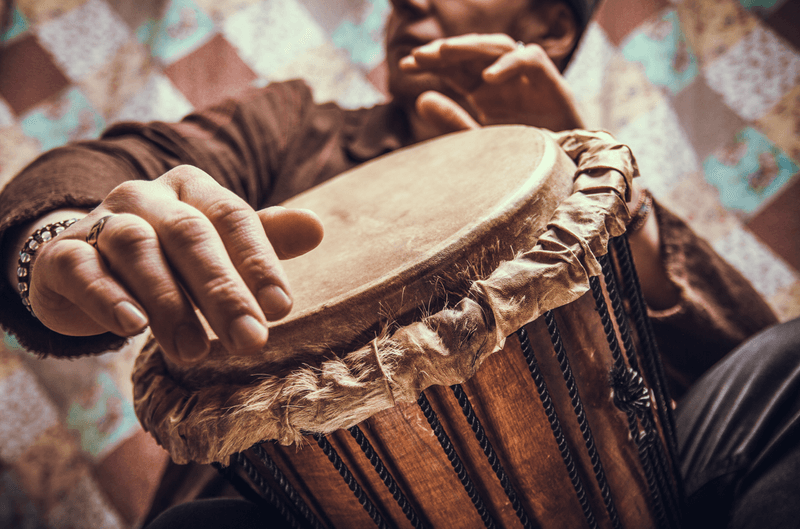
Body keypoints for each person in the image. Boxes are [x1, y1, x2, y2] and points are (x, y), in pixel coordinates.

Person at [0, 0, 791, 527]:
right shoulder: (296, 127)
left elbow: (749, 348)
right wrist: (60, 239)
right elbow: (125, 160)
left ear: (549, 21)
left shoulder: (595, 179)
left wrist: (614, 210)